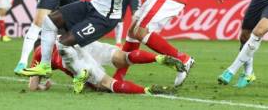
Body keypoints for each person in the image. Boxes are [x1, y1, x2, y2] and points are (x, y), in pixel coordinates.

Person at [28, 40, 184, 94]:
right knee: (124, 57)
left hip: (70, 58)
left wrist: (44, 86)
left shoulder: (39, 52)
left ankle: (146, 90)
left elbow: (33, 86)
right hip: (82, 43)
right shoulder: (56, 33)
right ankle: (158, 57)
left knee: (106, 85)